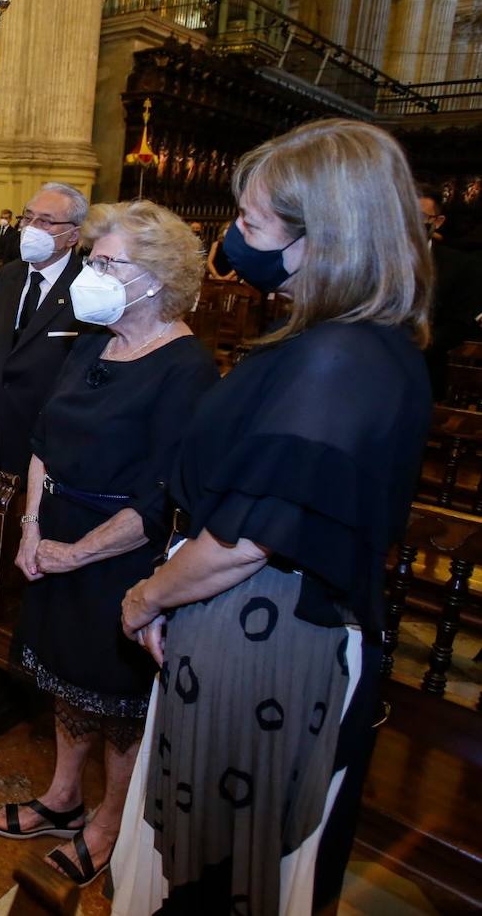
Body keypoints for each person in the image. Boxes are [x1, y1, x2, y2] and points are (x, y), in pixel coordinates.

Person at [112, 119, 434, 914]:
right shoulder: (352, 342)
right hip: (248, 622)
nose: (235, 240)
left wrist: (148, 596)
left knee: (217, 872)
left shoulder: (339, 359)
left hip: (266, 638)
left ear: (323, 238)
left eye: (252, 225)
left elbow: (246, 539)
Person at [0, 201, 217, 891]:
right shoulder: (92, 341)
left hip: (120, 559)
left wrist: (76, 553)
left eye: (107, 263)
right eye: (92, 259)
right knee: (66, 679)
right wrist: (32, 527)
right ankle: (63, 796)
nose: (90, 273)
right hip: (55, 537)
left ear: (155, 278)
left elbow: (162, 500)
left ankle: (109, 823)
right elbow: (43, 441)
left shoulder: (187, 368)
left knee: (116, 701)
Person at [0, 182, 96, 648]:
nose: (31, 227)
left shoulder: (88, 287)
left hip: (47, 444)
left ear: (73, 234)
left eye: (45, 221)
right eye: (29, 217)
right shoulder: (10, 275)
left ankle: (26, 630)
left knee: (38, 536)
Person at [419, 182, 482, 398]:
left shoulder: (459, 265)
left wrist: (417, 344)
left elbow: (459, 324)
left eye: (420, 217)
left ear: (437, 222)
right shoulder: (376, 260)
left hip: (425, 372)